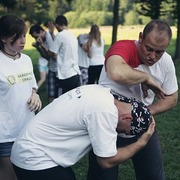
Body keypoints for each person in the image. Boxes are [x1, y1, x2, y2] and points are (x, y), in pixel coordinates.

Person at [87, 20, 178, 180]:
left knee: (153, 177)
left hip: (143, 127)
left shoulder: (166, 62)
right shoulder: (123, 47)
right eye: (149, 49)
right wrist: (145, 78)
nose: (152, 56)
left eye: (159, 52)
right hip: (107, 126)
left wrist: (143, 114)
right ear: (141, 37)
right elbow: (116, 72)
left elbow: (172, 98)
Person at [10, 84, 155, 180]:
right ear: (127, 117)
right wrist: (140, 143)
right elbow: (107, 161)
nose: (119, 132)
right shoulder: (105, 111)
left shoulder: (102, 91)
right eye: (124, 130)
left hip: (31, 150)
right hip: (34, 157)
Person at [0, 15, 42, 180]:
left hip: (28, 129)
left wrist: (35, 95)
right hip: (5, 133)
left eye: (24, 35)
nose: (23, 40)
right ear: (3, 38)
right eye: (16, 37)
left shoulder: (26, 60)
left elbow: (32, 86)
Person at [39, 15, 81, 96]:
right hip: (75, 73)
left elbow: (51, 53)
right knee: (73, 99)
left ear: (57, 25)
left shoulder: (60, 35)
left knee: (62, 100)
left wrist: (41, 45)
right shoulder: (72, 35)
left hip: (65, 75)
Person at [29, 23, 57, 103]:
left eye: (37, 36)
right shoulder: (42, 40)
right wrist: (38, 47)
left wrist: (41, 45)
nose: (36, 39)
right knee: (50, 93)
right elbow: (45, 56)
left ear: (41, 31)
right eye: (34, 37)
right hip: (52, 67)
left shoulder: (49, 37)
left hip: (58, 67)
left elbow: (51, 55)